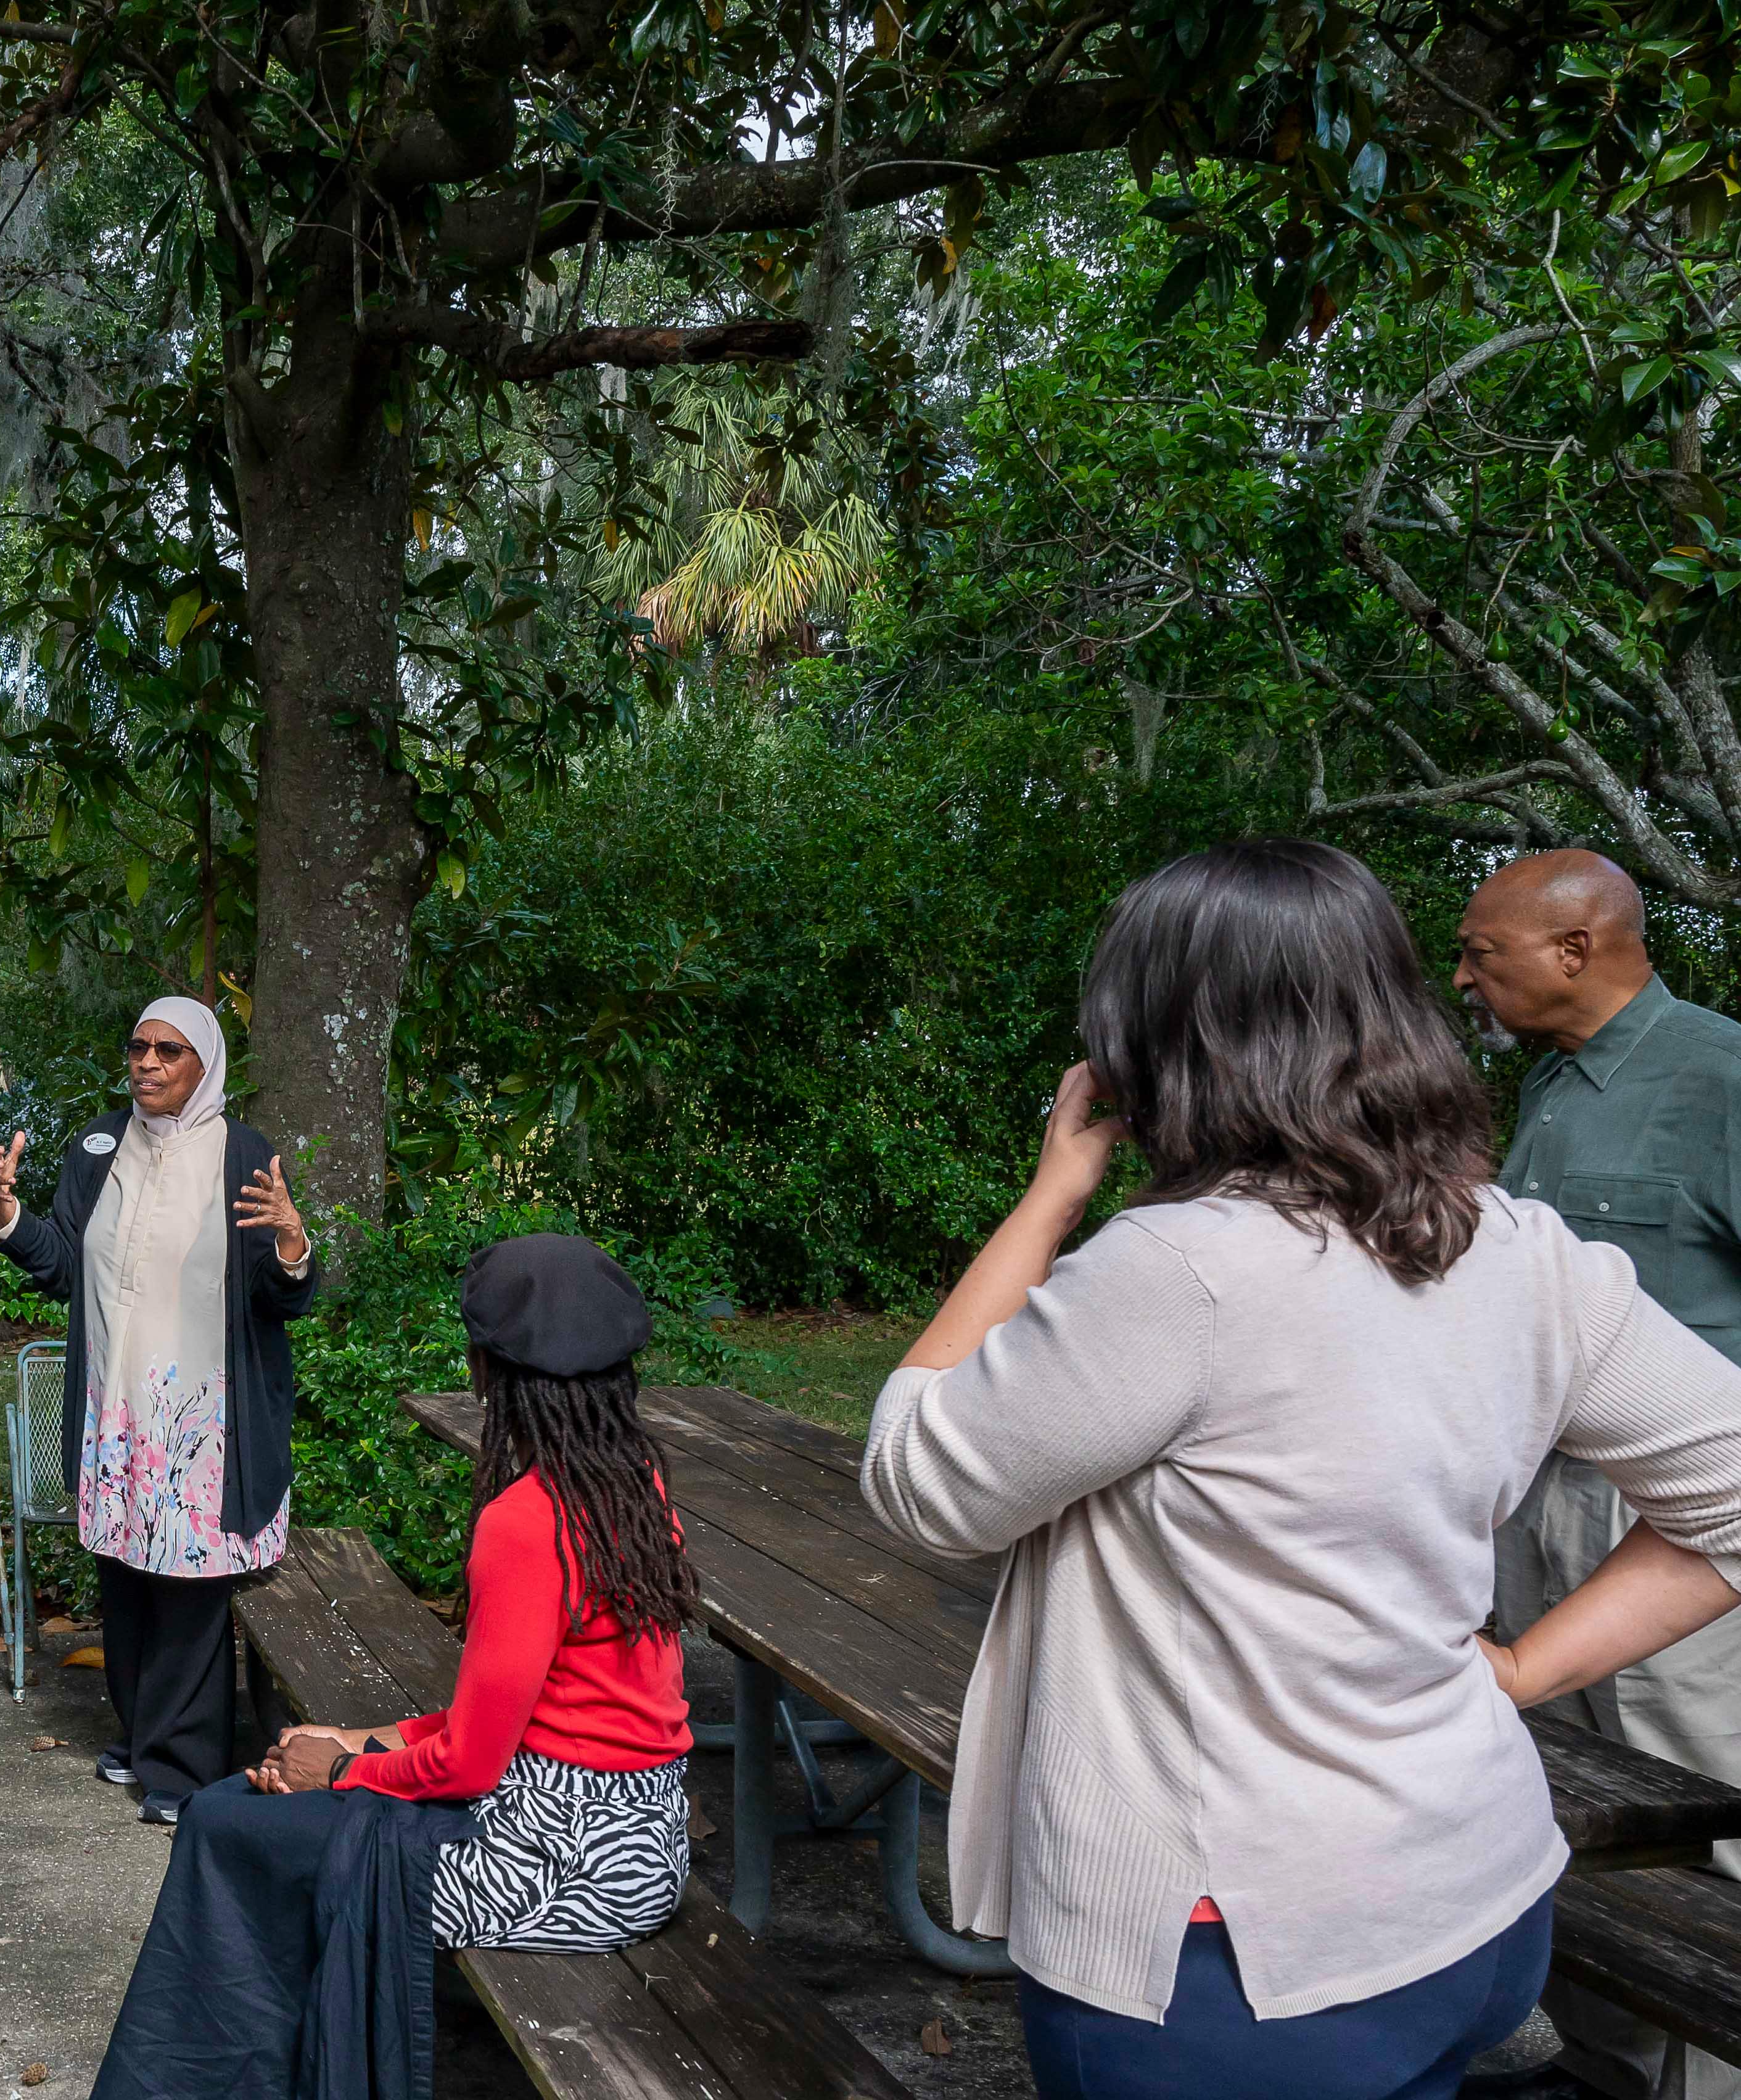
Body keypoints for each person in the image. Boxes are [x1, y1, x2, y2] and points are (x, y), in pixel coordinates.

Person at [861, 839, 1741, 2096]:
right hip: (1473, 1906)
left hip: (1240, 1966)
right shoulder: (1519, 1247)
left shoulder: (1180, 1268)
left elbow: (917, 1476)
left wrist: (1052, 1200)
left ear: (1156, 1038)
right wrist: (1527, 1672)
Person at [91, 1233, 697, 2100]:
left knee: (228, 1828)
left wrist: (339, 1770)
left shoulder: (526, 1521)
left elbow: (473, 1765)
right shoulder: (630, 1481)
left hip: (559, 1857)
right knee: (241, 1812)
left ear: (486, 1369)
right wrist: (354, 1736)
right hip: (636, 1837)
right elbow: (531, 1716)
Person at [1457, 849, 1741, 2099]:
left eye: (1483, 952)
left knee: (1693, 1796)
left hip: (1668, 1516)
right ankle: (1606, 2063)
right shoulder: (1551, 1086)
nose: (1462, 973)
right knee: (1555, 1788)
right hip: (1534, 1493)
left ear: (1576, 948)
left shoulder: (1718, 1078)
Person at [0, 997, 319, 1823]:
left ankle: (182, 1772)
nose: (147, 1063)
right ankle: (140, 1739)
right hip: (116, 1414)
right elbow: (62, 1266)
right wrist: (9, 1218)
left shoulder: (241, 1153)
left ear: (204, 1065)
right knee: (129, 1581)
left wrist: (289, 1247)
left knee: (189, 1592)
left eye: (169, 1051)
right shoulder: (97, 1148)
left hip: (205, 1422)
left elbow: (283, 1299)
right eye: (137, 1046)